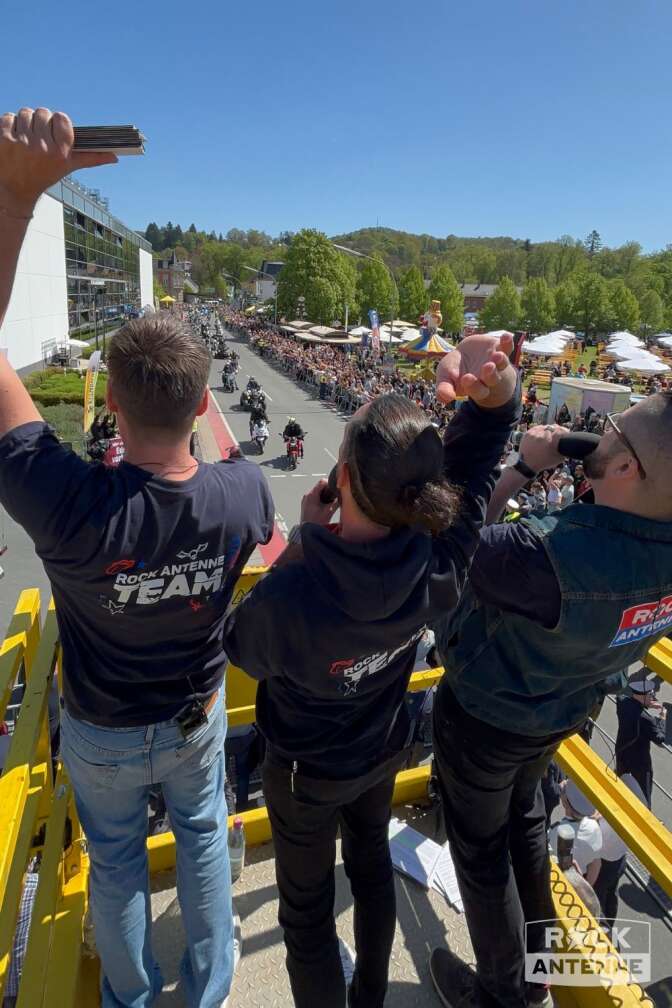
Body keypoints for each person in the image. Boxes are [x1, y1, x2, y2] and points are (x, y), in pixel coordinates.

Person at [0, 108, 275, 1008]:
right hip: (194, 714)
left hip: (102, 727)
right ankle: (212, 985)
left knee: (115, 865)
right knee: (201, 838)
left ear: (107, 398)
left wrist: (15, 194)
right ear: (204, 405)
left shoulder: (66, 500)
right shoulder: (242, 495)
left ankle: (131, 996)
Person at [223, 335, 519, 1008]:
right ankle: (373, 996)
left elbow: (241, 649)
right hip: (382, 748)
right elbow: (474, 473)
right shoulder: (439, 563)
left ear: (343, 478)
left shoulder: (294, 594)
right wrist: (497, 403)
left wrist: (303, 543)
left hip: (304, 773)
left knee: (306, 917)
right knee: (371, 869)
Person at [430, 400, 672, 1008]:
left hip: (486, 715)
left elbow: (454, 553)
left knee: (484, 856)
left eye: (614, 430)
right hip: (561, 711)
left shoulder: (543, 552)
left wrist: (518, 469)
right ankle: (538, 970)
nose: (601, 433)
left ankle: (502, 992)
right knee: (527, 824)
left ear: (629, 470)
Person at [615, 676, 667, 806]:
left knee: (621, 784)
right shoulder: (646, 719)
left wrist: (646, 704)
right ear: (643, 696)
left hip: (622, 752)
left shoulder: (622, 703)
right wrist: (662, 717)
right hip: (639, 761)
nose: (652, 697)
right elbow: (659, 738)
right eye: (651, 695)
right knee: (644, 793)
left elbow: (626, 700)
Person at [549, 779, 603, 886]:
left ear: (566, 804)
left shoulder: (555, 833)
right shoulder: (595, 828)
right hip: (578, 879)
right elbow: (596, 864)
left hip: (557, 881)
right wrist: (585, 888)